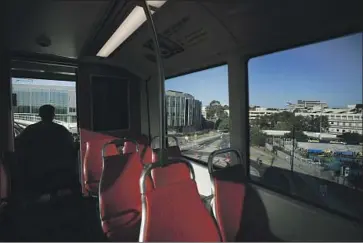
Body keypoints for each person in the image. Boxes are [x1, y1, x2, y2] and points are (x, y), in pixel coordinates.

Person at [15, 105, 77, 198]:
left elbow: (18, 143)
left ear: (40, 115)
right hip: (58, 169)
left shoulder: (31, 130)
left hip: (35, 169)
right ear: (53, 115)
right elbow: (71, 147)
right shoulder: (61, 130)